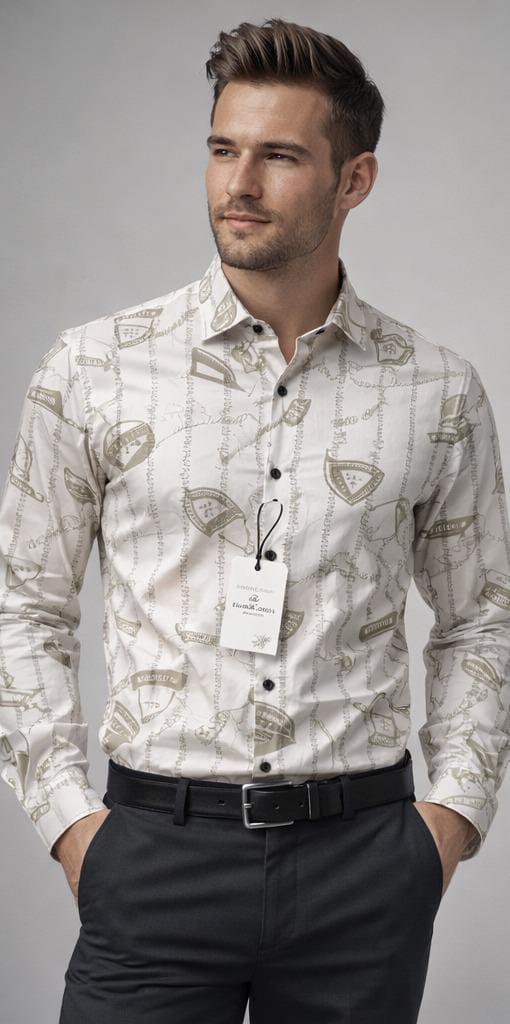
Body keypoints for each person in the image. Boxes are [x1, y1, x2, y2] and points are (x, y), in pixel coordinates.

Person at [1, 16, 509, 1024]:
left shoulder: (437, 391)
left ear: (354, 180)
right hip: (154, 857)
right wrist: (71, 824)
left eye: (278, 156)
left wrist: (450, 819)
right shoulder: (92, 370)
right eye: (222, 148)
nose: (239, 183)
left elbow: (481, 621)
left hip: (363, 867)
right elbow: (26, 609)